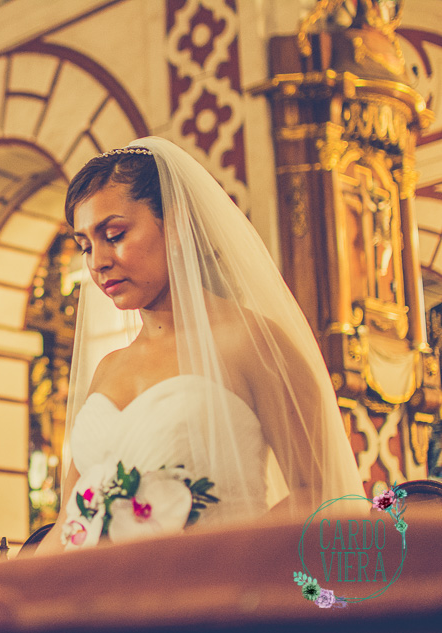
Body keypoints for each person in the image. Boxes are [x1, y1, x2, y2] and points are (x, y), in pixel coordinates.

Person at [35, 137, 364, 553]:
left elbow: (320, 492)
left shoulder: (250, 342)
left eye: (114, 235)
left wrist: (209, 564)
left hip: (220, 584)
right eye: (85, 246)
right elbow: (69, 522)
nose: (97, 261)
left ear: (175, 225)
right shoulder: (107, 367)